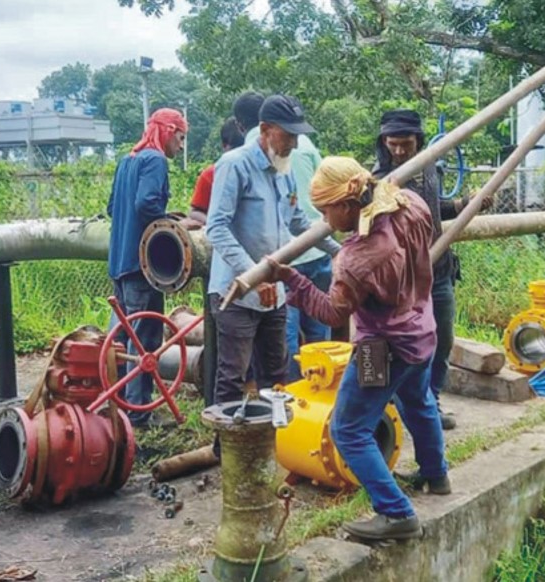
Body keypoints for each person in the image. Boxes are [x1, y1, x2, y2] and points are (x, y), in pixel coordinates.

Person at [265, 156, 449, 540]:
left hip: (382, 347)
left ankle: (396, 514)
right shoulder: (411, 204)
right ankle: (436, 474)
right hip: (422, 326)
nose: (326, 221)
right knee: (418, 401)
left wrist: (292, 280)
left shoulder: (358, 256)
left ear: (349, 204)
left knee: (348, 428)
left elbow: (332, 309)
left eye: (327, 211)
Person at [205, 95, 341, 411]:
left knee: (276, 376)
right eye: (288, 134)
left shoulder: (285, 169)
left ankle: (273, 448)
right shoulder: (234, 165)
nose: (294, 143)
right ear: (265, 129)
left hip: (274, 294)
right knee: (232, 376)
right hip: (235, 294)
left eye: (297, 135)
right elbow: (216, 228)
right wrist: (252, 276)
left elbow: (298, 223)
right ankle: (226, 454)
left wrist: (338, 251)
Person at [373, 109, 491, 430]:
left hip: (437, 270)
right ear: (383, 142)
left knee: (442, 340)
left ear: (419, 141)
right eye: (392, 143)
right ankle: (392, 411)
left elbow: (434, 209)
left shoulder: (429, 166)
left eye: (406, 143)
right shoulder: (378, 179)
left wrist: (465, 204)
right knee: (398, 350)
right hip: (400, 281)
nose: (399, 150)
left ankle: (431, 402)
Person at [240, 93, 333, 381]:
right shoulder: (305, 145)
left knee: (286, 338)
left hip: (285, 259)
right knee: (318, 330)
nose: (293, 142)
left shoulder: (262, 148)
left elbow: (292, 217)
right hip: (312, 251)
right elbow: (321, 190)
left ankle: (299, 400)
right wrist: (335, 248)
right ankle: (314, 396)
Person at [106, 108, 188, 428]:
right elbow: (147, 204)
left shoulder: (128, 161)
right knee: (144, 341)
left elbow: (114, 207)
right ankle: (138, 414)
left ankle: (120, 404)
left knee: (123, 339)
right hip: (142, 267)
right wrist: (169, 221)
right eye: (180, 138)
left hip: (119, 263)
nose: (181, 146)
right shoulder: (155, 160)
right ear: (167, 131)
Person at [185, 117, 245, 226]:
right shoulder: (210, 175)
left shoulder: (262, 172)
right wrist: (216, 224)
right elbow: (194, 213)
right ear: (224, 146)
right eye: (234, 150)